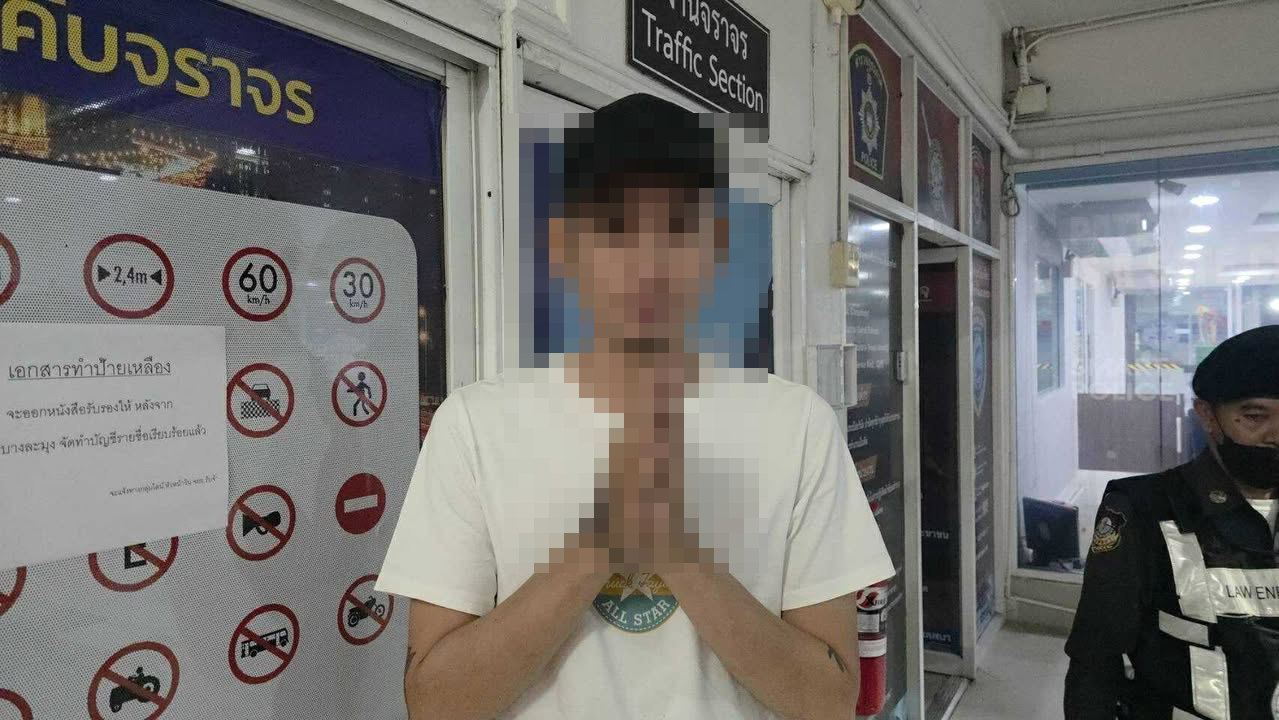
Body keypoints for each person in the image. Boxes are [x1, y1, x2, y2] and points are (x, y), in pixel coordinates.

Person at [376, 93, 894, 720]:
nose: (649, 264)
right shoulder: (474, 427)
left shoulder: (797, 426)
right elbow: (435, 703)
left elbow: (829, 702)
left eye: (678, 228)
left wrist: (680, 553)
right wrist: (599, 543)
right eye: (615, 229)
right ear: (562, 246)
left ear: (718, 245)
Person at [1064, 324, 1279, 719]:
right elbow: (1096, 658)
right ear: (1208, 416)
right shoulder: (1144, 509)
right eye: (1255, 416)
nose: (1275, 435)